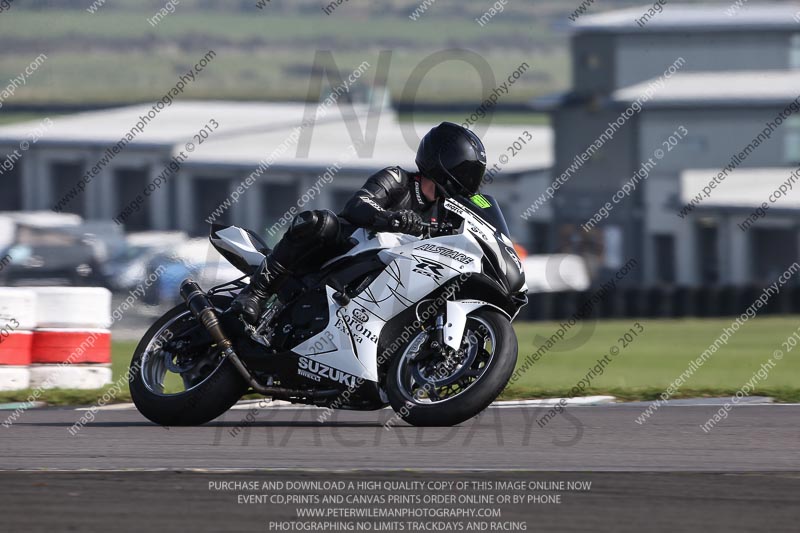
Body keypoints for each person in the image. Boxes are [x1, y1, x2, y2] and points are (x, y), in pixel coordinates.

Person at [230, 122, 488, 324]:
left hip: (390, 283)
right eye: (466, 171)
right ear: (444, 162)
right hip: (343, 252)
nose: (470, 179)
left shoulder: (446, 212)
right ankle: (256, 292)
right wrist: (393, 219)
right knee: (321, 222)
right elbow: (358, 206)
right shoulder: (398, 178)